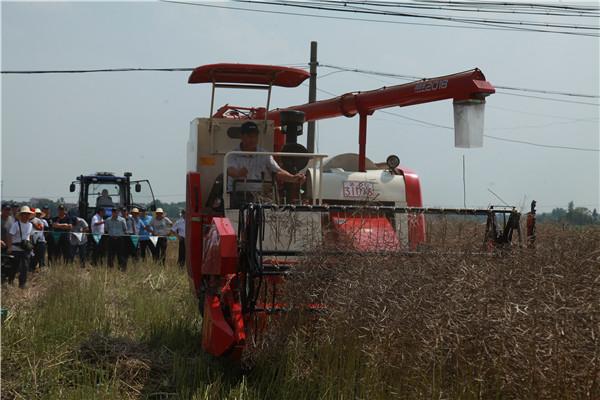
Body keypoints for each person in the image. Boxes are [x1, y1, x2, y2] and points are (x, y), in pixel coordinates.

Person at [227, 121, 305, 207]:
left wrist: (293, 178)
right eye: (249, 136)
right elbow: (230, 171)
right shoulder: (232, 154)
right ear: (241, 137)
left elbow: (277, 172)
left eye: (255, 136)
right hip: (237, 195)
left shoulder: (264, 155)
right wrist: (238, 173)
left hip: (259, 197)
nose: (252, 139)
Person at [6, 206, 35, 288]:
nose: (26, 216)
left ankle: (22, 284)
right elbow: (9, 235)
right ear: (21, 215)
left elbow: (30, 236)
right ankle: (10, 281)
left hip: (26, 248)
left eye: (27, 214)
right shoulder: (16, 225)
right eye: (24, 214)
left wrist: (32, 247)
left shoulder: (30, 225)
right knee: (15, 266)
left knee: (25, 267)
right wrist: (9, 247)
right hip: (16, 248)